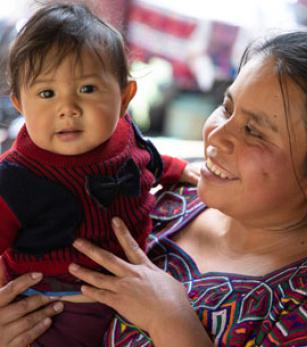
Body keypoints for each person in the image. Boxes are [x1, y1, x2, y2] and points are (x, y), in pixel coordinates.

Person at [1, 30, 307, 347]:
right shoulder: (174, 199)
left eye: (255, 131)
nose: (218, 135)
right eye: (227, 107)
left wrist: (172, 323)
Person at [0, 3, 198, 347]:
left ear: (124, 98)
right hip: (56, 310)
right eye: (47, 94)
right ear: (20, 103)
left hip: (138, 292)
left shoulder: (124, 136)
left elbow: (147, 163)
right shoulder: (16, 179)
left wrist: (181, 171)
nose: (68, 108)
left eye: (87, 89)